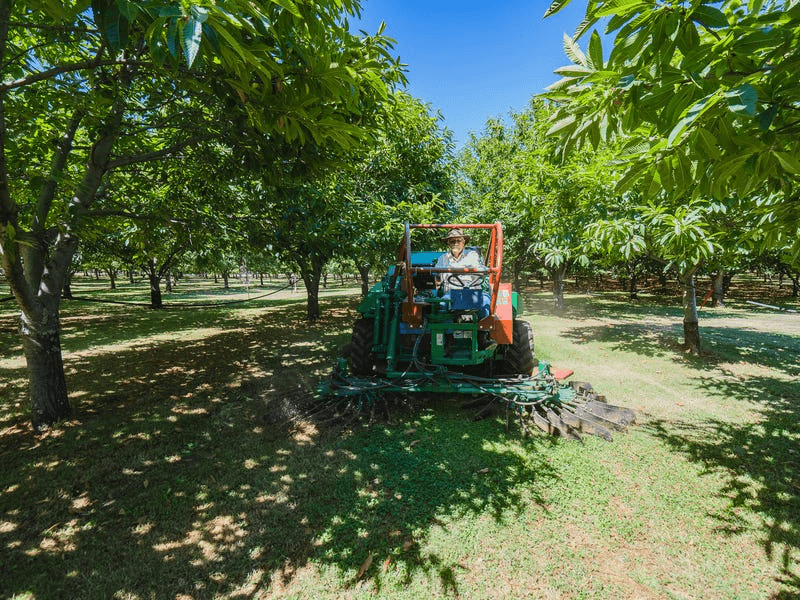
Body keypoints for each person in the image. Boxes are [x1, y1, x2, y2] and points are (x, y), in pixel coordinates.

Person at [435, 228, 491, 318]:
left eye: (459, 241)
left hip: (473, 292)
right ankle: (445, 330)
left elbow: (476, 266)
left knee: (485, 303)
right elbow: (436, 276)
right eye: (453, 241)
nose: (456, 244)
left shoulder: (471, 255)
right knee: (441, 305)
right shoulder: (443, 259)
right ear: (448, 243)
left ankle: (482, 329)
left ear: (463, 242)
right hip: (451, 293)